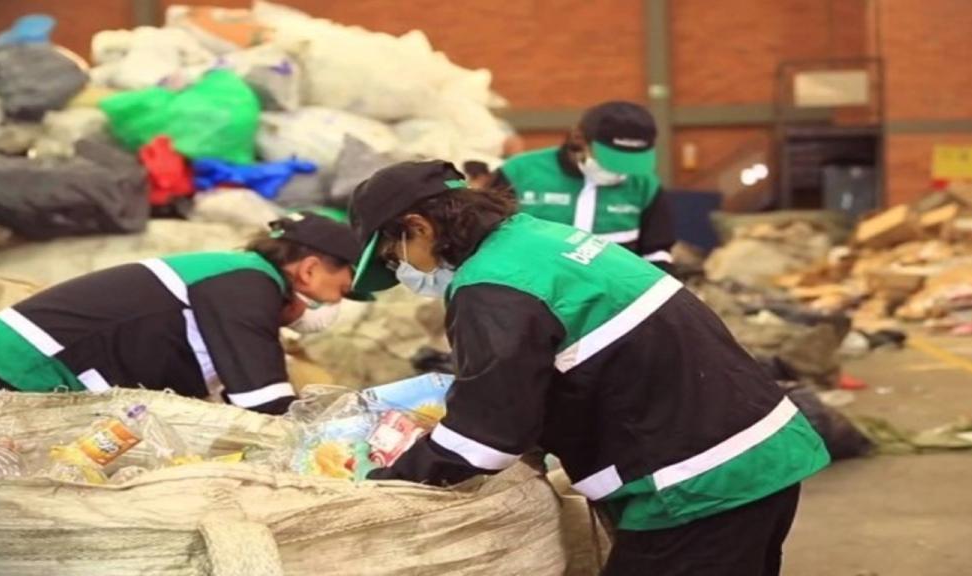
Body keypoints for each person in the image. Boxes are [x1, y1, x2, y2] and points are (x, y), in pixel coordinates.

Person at [348, 160, 830, 575]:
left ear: (419, 227)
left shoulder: (490, 286)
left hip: (698, 484)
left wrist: (380, 483)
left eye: (395, 257)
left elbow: (484, 438)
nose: (401, 271)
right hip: (761, 452)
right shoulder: (537, 238)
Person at [0, 211, 359, 414]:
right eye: (341, 289)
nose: (336, 306)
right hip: (11, 371)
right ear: (308, 270)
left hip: (14, 373)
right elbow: (264, 406)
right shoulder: (247, 284)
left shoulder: (235, 280)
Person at [491, 100, 676, 272]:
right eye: (611, 160)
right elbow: (491, 243)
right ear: (579, 139)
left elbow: (656, 252)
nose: (620, 171)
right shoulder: (519, 173)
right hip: (530, 289)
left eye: (630, 163)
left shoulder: (644, 184)